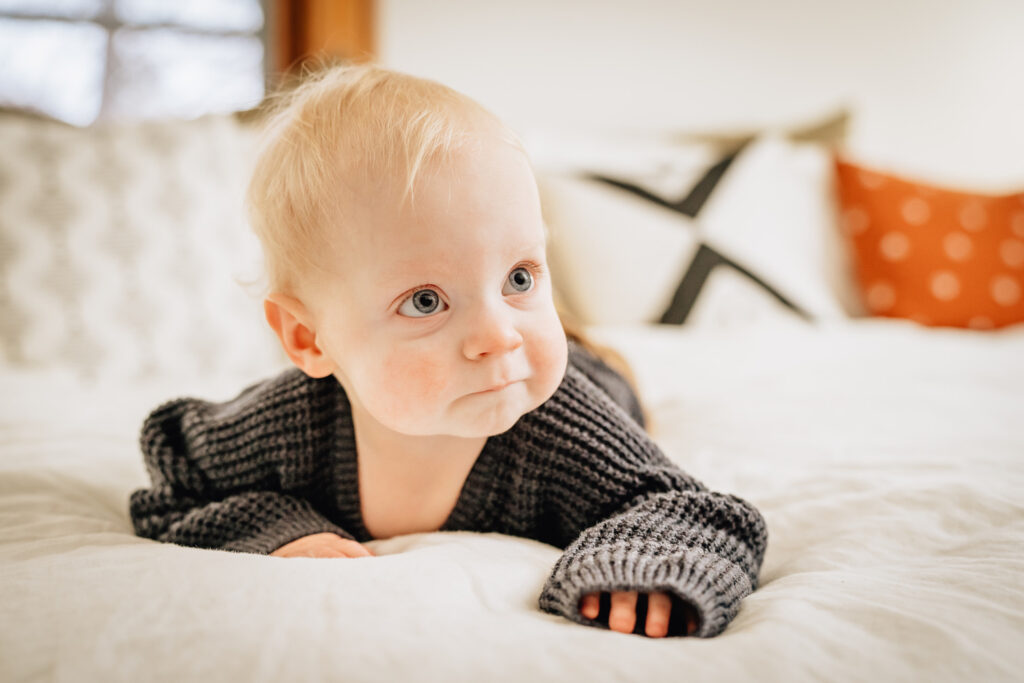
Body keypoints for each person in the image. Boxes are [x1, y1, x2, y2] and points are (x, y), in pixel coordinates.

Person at [128, 61, 768, 639]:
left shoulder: (557, 427)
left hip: (592, 382)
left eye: (520, 277)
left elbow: (685, 509)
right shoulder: (287, 424)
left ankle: (590, 348)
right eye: (426, 301)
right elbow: (176, 480)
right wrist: (280, 532)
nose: (498, 335)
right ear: (307, 339)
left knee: (606, 382)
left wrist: (638, 568)